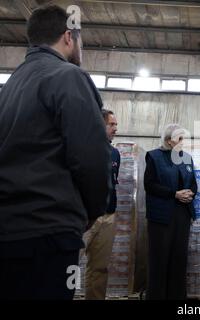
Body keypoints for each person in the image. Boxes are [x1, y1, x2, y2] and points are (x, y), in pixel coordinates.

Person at [0, 5, 110, 300]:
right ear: (68, 37)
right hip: (49, 236)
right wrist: (93, 211)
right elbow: (92, 157)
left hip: (9, 233)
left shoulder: (9, 87)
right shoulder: (68, 77)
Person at [144, 124, 197, 300]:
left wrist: (190, 193)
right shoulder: (154, 156)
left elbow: (193, 183)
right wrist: (174, 194)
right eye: (179, 138)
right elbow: (149, 185)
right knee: (159, 259)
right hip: (161, 217)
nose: (184, 142)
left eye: (184, 138)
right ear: (168, 141)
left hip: (182, 214)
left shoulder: (187, 158)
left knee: (179, 259)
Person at [84, 109, 121, 300]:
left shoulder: (115, 154)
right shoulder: (83, 149)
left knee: (100, 268)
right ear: (100, 125)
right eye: (111, 124)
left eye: (116, 124)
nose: (116, 128)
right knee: (69, 266)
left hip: (108, 216)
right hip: (85, 217)